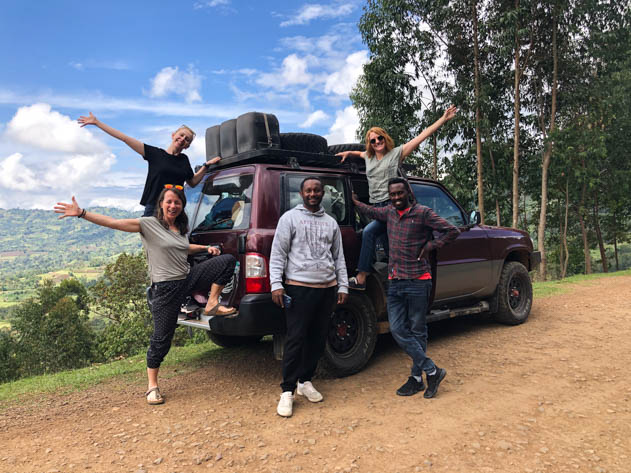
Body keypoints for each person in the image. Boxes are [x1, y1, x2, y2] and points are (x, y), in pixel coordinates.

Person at [54, 185, 237, 405]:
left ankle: (212, 304)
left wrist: (204, 248)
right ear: (161, 203)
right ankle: (152, 386)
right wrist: (83, 213)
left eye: (177, 202)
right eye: (169, 201)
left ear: (182, 206)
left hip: (186, 281)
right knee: (162, 339)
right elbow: (114, 223)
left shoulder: (179, 228)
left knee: (225, 262)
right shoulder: (148, 224)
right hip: (164, 291)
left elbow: (182, 248)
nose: (173, 205)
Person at [352, 177, 460, 398]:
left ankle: (416, 378)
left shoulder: (423, 213)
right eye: (392, 195)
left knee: (418, 330)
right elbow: (371, 211)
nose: (396, 198)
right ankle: (432, 370)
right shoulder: (389, 213)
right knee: (399, 329)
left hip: (419, 281)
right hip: (396, 282)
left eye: (400, 193)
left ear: (408, 192)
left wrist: (431, 246)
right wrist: (354, 201)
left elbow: (452, 231)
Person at [337, 106, 458, 290]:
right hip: (374, 208)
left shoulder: (395, 154)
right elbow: (358, 153)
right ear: (369, 144)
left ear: (385, 138)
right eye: (373, 140)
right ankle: (396, 281)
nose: (377, 141)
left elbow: (421, 136)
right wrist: (348, 153)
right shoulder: (368, 157)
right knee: (388, 244)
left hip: (391, 206)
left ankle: (361, 278)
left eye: (380, 138)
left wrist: (443, 119)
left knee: (369, 233)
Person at [270, 177, 349, 417]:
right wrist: (276, 284)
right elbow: (278, 253)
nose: (313, 194)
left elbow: (338, 257)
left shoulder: (331, 222)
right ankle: (287, 391)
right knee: (296, 338)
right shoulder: (289, 219)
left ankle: (305, 381)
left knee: (317, 338)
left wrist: (343, 286)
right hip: (298, 287)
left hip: (327, 289)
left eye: (317, 190)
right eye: (308, 190)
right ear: (301, 193)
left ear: (323, 193)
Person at [77, 112, 220, 216]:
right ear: (173, 135)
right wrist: (97, 123)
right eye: (181, 135)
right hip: (155, 208)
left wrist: (206, 166)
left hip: (175, 209)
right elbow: (125, 138)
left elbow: (193, 181)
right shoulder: (155, 154)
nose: (183, 139)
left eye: (187, 139)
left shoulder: (184, 160)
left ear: (188, 146)